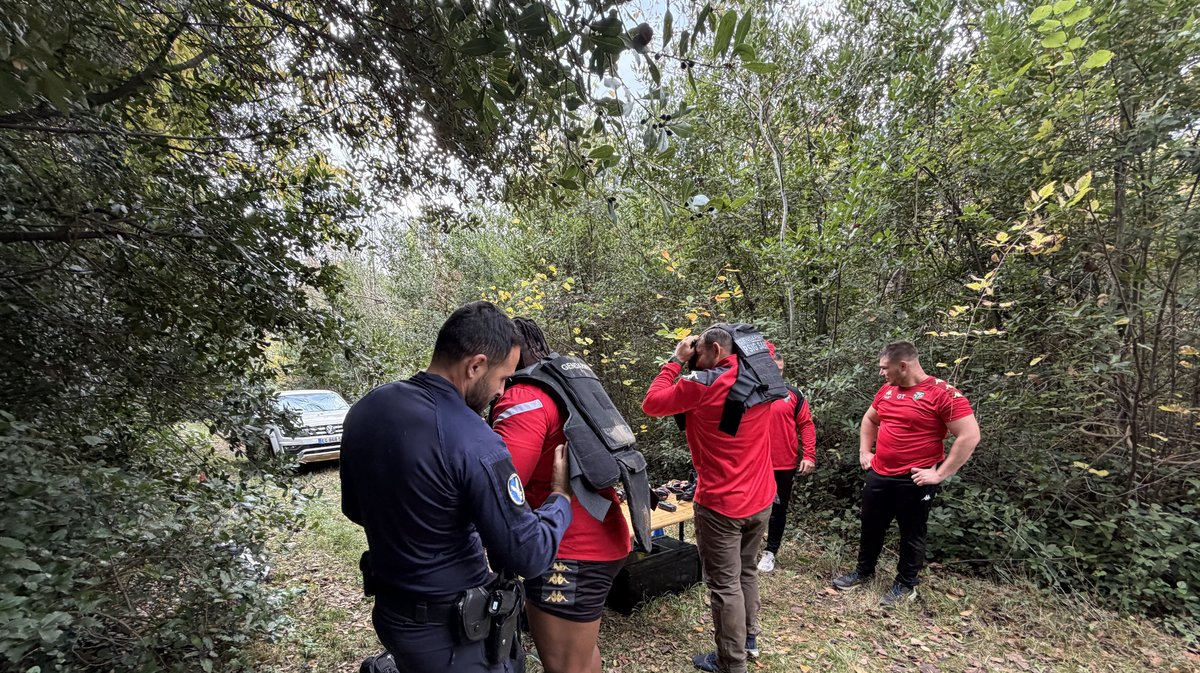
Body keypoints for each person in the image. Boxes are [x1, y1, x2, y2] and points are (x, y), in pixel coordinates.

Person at [340, 301, 573, 672]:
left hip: (392, 614)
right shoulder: (473, 438)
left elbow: (354, 508)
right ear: (475, 365)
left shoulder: (366, 408)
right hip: (453, 636)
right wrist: (560, 498)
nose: (501, 392)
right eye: (502, 378)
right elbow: (527, 554)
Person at [490, 318, 631, 673]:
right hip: (602, 535)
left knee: (564, 665)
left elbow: (505, 486)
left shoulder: (523, 397)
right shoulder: (564, 388)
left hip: (568, 551)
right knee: (580, 657)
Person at [641, 326, 778, 673]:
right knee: (746, 571)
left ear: (715, 351)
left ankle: (731, 662)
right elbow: (761, 346)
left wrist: (675, 360)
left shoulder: (702, 384)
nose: (694, 361)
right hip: (761, 497)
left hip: (722, 504)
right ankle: (749, 638)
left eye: (699, 354)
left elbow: (652, 403)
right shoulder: (763, 372)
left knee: (724, 585)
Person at [832, 340, 981, 606]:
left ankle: (905, 584)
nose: (881, 373)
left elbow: (969, 435)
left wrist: (939, 474)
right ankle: (864, 572)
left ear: (903, 365)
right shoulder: (887, 391)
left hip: (914, 479)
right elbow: (870, 419)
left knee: (911, 532)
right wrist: (865, 452)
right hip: (880, 473)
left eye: (884, 368)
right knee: (871, 524)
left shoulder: (942, 394)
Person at [757, 349, 816, 573]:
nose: (776, 374)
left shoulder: (792, 394)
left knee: (778, 509)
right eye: (773, 369)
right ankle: (745, 548)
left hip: (783, 464)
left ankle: (770, 552)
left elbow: (807, 425)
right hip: (753, 464)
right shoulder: (748, 392)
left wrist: (809, 455)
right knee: (748, 508)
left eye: (780, 371)